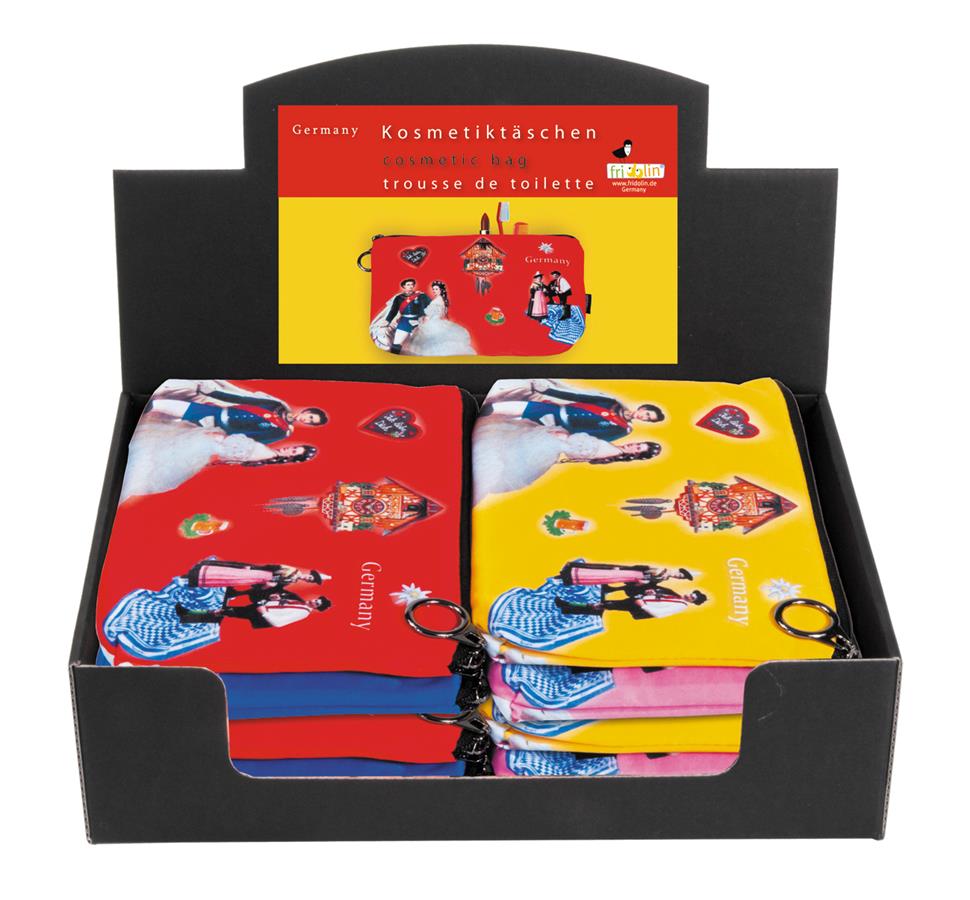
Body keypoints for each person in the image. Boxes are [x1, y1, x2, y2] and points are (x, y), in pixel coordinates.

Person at [471, 415, 661, 504]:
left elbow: (575, 448)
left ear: (636, 455)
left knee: (494, 457)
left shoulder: (610, 450)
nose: (634, 446)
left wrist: (562, 439)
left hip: (548, 446)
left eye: (638, 449)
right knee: (502, 442)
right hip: (549, 445)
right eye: (638, 444)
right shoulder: (612, 448)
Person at [119, 420, 317, 501]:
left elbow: (228, 450)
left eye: (293, 452)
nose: (290, 449)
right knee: (159, 450)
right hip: (208, 446)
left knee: (157, 456)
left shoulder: (264, 454)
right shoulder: (267, 452)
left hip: (206, 446)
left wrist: (217, 439)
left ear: (291, 458)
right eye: (294, 447)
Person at [482, 381, 665, 442]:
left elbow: (594, 438)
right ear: (643, 408)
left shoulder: (622, 429)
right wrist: (548, 391)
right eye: (647, 413)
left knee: (503, 432)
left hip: (555, 429)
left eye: (648, 419)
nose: (644, 417)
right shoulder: (611, 402)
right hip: (552, 410)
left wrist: (560, 434)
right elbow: (577, 396)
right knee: (494, 410)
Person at [148, 386, 326, 445]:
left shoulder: (281, 432)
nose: (306, 419)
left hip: (216, 431)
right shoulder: (276, 405)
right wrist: (213, 393)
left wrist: (222, 439)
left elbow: (254, 440)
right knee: (157, 405)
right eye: (310, 416)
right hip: (215, 412)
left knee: (164, 434)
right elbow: (242, 399)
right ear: (306, 411)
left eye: (310, 422)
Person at [176, 591, 332, 629]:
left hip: (258, 615)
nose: (313, 601)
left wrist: (263, 612)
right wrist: (273, 598)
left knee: (225, 611)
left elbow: (279, 623)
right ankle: (188, 616)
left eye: (316, 604)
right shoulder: (300, 603)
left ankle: (187, 615)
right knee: (225, 611)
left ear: (317, 608)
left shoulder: (302, 612)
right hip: (257, 608)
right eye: (315, 599)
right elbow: (280, 605)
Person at [402, 280, 476, 356]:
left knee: (428, 341)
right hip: (436, 321)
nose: (434, 291)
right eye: (433, 289)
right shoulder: (441, 299)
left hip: (431, 322)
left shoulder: (437, 300)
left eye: (436, 289)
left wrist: (423, 322)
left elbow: (430, 314)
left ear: (441, 290)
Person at [555, 587, 709, 620]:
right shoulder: (677, 597)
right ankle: (567, 607)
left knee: (603, 605)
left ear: (693, 602)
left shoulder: (680, 605)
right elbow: (658, 599)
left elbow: (660, 614)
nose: (689, 595)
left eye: (692, 598)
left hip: (637, 605)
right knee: (603, 605)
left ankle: (567, 606)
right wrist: (651, 593)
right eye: (691, 593)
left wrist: (642, 605)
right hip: (636, 600)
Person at [384, 277, 432, 354]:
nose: (410, 286)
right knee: (396, 344)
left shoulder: (421, 296)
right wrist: (387, 321)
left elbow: (431, 307)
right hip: (404, 322)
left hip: (419, 321)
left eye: (412, 285)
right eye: (408, 285)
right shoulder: (399, 298)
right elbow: (393, 310)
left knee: (422, 345)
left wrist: (427, 317)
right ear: (404, 286)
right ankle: (394, 360)